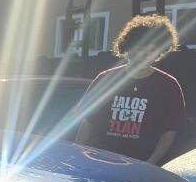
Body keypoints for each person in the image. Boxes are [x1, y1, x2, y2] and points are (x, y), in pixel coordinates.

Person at [75, 14, 187, 164]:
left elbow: (170, 131)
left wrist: (151, 163)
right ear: (128, 47)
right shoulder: (105, 79)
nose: (145, 55)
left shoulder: (168, 85)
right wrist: (79, 155)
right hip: (99, 163)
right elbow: (87, 121)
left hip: (141, 167)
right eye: (140, 48)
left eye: (152, 50)